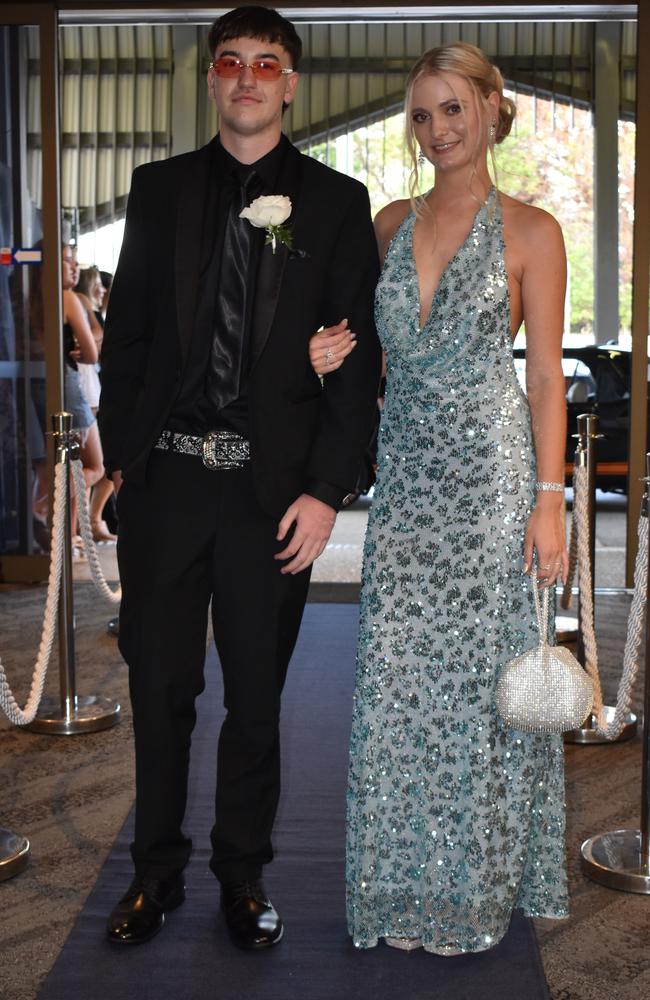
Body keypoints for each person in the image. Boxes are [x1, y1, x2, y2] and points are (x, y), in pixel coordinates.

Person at [98, 5, 381, 951]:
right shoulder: (158, 189)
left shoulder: (337, 204)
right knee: (160, 693)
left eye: (267, 64)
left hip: (273, 499)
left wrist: (324, 491)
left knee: (256, 699)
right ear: (211, 79)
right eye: (231, 63)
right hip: (168, 487)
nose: (249, 78)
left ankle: (243, 875)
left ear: (291, 83)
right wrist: (118, 464)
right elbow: (127, 340)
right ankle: (154, 875)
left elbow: (359, 362)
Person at [309, 42, 569, 954]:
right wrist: (332, 356)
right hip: (409, 483)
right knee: (398, 680)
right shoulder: (386, 223)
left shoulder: (533, 230)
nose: (437, 131)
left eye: (453, 109)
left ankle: (473, 886)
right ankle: (400, 882)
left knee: (476, 686)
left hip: (492, 483)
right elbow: (365, 354)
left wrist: (549, 500)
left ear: (493, 109)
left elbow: (543, 379)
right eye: (421, 114)